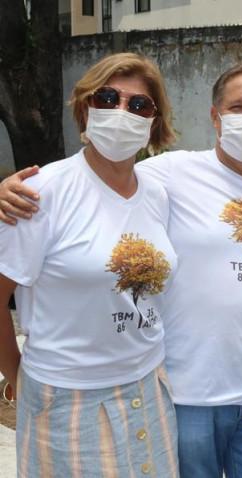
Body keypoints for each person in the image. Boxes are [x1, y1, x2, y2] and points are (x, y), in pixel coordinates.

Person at [0, 61, 242, 477]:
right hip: (186, 398)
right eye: (236, 106)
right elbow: (93, 179)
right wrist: (7, 191)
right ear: (215, 117)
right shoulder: (167, 175)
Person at [0, 53, 180, 477]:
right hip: (68, 401)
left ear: (153, 122)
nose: (122, 111)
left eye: (139, 105)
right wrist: (16, 376)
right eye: (108, 98)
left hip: (150, 388)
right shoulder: (41, 193)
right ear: (86, 108)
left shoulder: (158, 193)